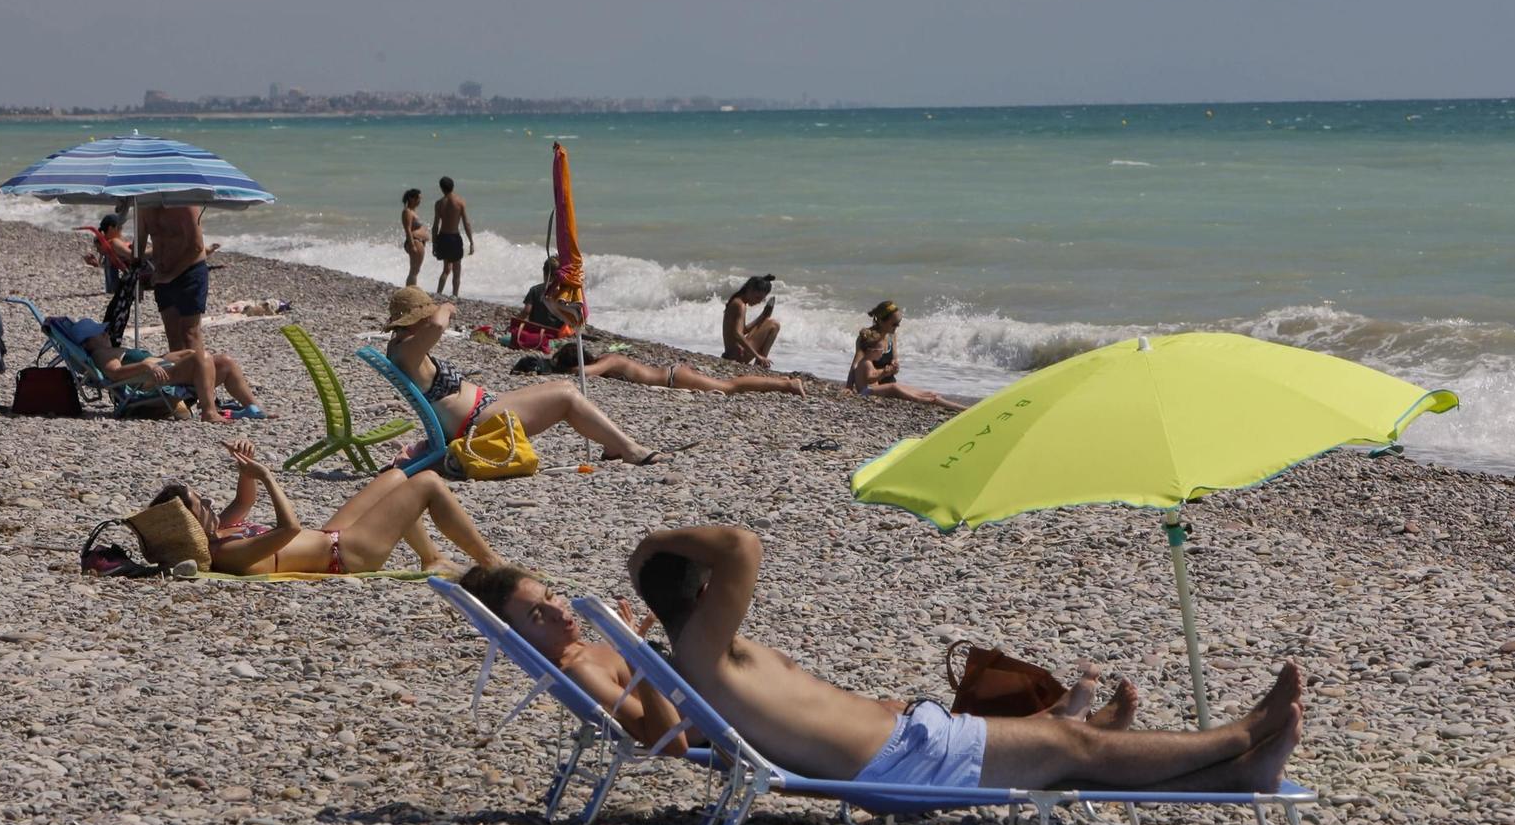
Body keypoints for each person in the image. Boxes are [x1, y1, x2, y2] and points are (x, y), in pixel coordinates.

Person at [624, 526, 1300, 791]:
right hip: (904, 761)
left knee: (1066, 761)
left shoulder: (708, 655)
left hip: (907, 744)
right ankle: (1241, 735)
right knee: (1072, 747)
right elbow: (743, 543)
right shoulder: (703, 650)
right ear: (708, 592)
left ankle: (1243, 774)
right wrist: (653, 542)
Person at [460, 564, 1139, 752]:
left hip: (729, 707)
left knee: (897, 711)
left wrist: (644, 651)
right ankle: (1065, 731)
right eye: (536, 615)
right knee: (900, 720)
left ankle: (1058, 724)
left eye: (549, 596)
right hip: (734, 728)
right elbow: (659, 736)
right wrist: (647, 663)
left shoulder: (583, 644)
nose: (556, 612)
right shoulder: (579, 665)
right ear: (515, 635)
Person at [384, 286, 672, 464]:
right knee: (566, 396)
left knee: (562, 384)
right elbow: (437, 327)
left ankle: (613, 444)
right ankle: (629, 449)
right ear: (416, 320)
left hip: (478, 410)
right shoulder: (407, 349)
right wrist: (445, 307)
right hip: (476, 422)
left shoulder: (401, 347)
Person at [148, 440, 501, 576]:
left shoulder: (220, 531)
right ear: (187, 522)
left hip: (330, 536)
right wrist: (268, 478)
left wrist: (247, 470)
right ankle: (492, 564)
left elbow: (243, 502)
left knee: (394, 479)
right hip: (345, 557)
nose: (210, 503)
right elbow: (289, 530)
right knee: (427, 483)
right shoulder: (227, 551)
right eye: (201, 504)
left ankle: (431, 557)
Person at [79, 325, 268, 421]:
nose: (106, 334)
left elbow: (158, 357)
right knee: (201, 357)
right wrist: (146, 366)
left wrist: (176, 356)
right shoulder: (101, 353)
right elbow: (116, 374)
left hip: (161, 372)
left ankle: (255, 408)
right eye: (100, 333)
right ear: (88, 342)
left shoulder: (112, 349)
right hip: (145, 383)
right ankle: (209, 412)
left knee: (225, 361)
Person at [530, 339, 806, 396]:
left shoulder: (609, 361)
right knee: (730, 384)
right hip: (673, 375)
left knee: (731, 386)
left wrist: (557, 371)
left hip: (674, 377)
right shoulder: (605, 360)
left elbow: (584, 374)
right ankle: (782, 381)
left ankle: (786, 384)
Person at [848, 301, 968, 411]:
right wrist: (849, 387)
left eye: (898, 323)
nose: (897, 327)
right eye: (894, 324)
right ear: (881, 320)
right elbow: (856, 365)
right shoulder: (869, 340)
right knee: (921, 397)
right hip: (878, 387)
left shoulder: (891, 336)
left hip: (888, 382)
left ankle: (963, 408)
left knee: (929, 394)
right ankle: (961, 409)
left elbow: (895, 360)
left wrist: (894, 367)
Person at [137, 204, 210, 356]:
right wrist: (135, 277)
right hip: (162, 275)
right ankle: (181, 376)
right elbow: (139, 245)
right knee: (172, 333)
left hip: (190, 272)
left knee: (189, 333)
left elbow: (196, 246)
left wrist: (170, 275)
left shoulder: (184, 203)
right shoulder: (145, 205)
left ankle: (198, 377)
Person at [722, 274, 781, 367]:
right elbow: (738, 334)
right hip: (737, 356)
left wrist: (762, 317)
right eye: (757, 298)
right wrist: (757, 356)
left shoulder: (737, 301)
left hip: (732, 354)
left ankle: (761, 362)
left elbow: (743, 330)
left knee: (767, 322)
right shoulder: (740, 305)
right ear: (749, 289)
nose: (758, 302)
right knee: (774, 324)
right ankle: (761, 362)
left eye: (761, 300)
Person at [432, 176, 473, 298]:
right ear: (453, 186)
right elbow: (466, 223)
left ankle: (438, 293)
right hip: (454, 238)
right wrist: (471, 242)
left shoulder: (439, 204)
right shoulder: (460, 202)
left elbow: (435, 226)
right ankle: (454, 295)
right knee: (457, 269)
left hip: (443, 237)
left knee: (446, 269)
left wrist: (434, 243)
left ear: (441, 188)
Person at [82, 213, 133, 295]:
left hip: (128, 276)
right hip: (137, 273)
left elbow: (116, 262)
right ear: (111, 228)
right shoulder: (114, 243)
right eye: (119, 227)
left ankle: (112, 288)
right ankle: (113, 289)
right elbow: (134, 257)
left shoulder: (109, 245)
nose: (121, 229)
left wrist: (97, 263)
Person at [400, 188, 428, 288]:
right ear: (412, 198)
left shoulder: (413, 211)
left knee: (416, 270)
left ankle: (412, 289)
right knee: (414, 270)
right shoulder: (407, 212)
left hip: (418, 241)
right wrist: (412, 245)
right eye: (418, 199)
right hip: (414, 242)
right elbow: (407, 229)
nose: (420, 201)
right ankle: (410, 290)